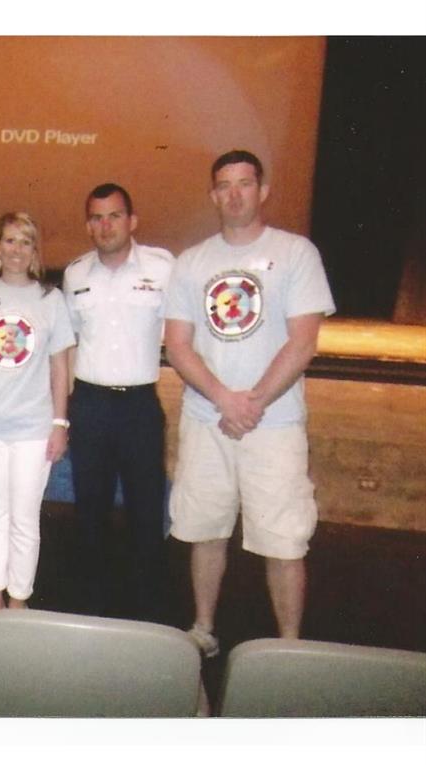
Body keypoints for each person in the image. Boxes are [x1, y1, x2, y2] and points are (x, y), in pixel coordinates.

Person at [164, 150, 335, 657]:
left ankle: (289, 648)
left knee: (284, 539)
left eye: (244, 183)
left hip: (274, 424)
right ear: (213, 195)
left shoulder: (296, 253)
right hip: (207, 420)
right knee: (206, 531)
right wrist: (224, 399)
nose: (234, 193)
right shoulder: (192, 262)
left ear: (263, 191)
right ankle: (203, 628)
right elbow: (178, 345)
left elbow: (303, 342)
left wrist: (253, 403)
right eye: (224, 185)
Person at [0, 213, 74, 624]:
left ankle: (19, 602)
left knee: (24, 520)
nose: (16, 249)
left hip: (33, 430)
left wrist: (60, 424)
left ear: (35, 251)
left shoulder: (51, 301)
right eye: (9, 240)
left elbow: (60, 368)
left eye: (25, 241)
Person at [63, 183, 174, 622]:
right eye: (96, 217)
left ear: (132, 221)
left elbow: (179, 333)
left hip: (139, 407)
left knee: (146, 512)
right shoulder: (75, 274)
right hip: (90, 405)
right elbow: (69, 343)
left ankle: (147, 613)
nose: (105, 225)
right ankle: (91, 611)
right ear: (88, 225)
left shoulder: (163, 269)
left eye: (114, 216)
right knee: (90, 511)